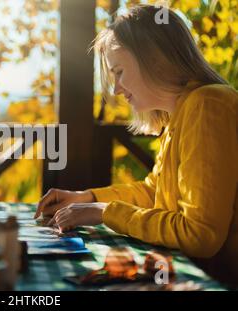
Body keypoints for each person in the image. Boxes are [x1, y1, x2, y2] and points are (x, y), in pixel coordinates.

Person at [35, 5, 237, 286]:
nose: (116, 89)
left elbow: (199, 235)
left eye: (119, 72)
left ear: (154, 57)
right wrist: (87, 198)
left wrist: (106, 212)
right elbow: (154, 191)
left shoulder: (207, 105)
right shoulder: (181, 115)